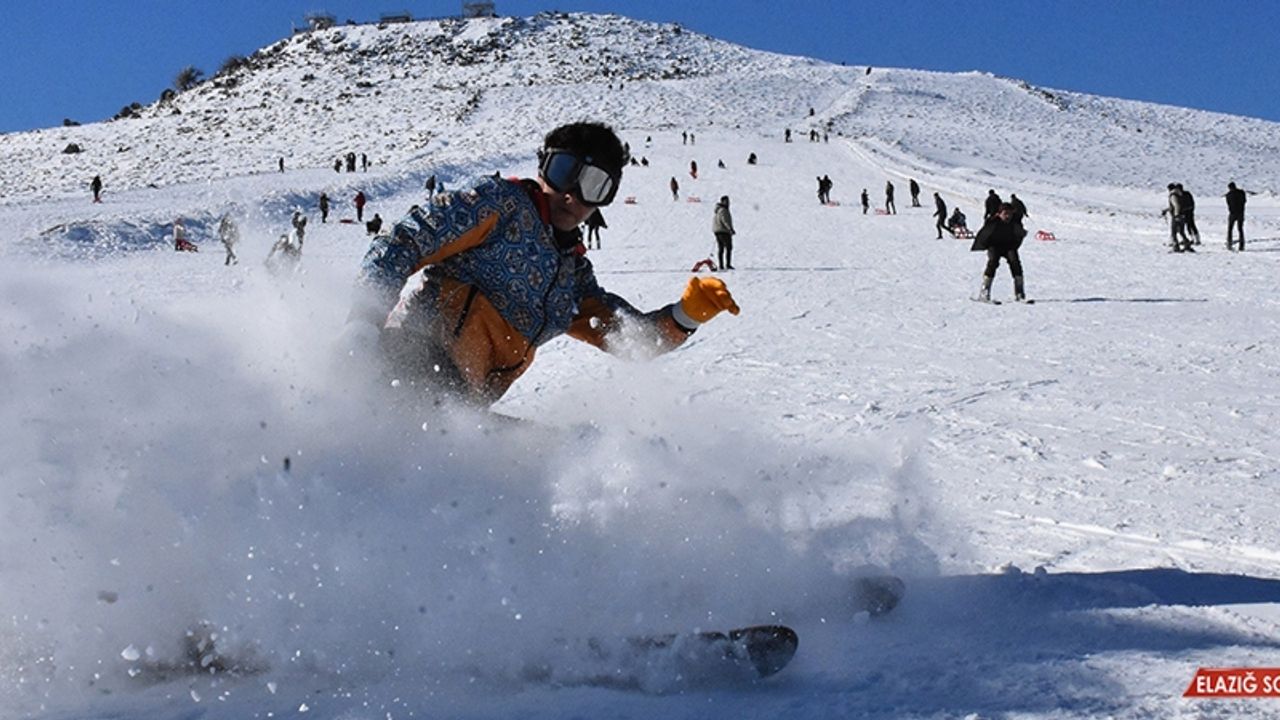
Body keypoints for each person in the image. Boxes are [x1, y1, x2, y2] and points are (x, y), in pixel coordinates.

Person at [345, 121, 740, 407]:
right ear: (543, 167)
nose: (572, 195)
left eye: (594, 186)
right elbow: (403, 241)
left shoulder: (572, 280)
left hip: (460, 404)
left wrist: (686, 315)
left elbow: (629, 339)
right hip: (407, 361)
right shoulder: (500, 204)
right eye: (563, 172)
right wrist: (362, 323)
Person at [971, 203, 1027, 302]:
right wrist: (986, 246)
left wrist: (1014, 246)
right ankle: (984, 292)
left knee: (1015, 263)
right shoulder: (992, 222)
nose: (1008, 216)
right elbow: (983, 235)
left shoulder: (1014, 223)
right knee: (993, 262)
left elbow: (1020, 235)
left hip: (1009, 246)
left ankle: (1019, 293)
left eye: (1010, 214)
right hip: (994, 246)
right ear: (999, 214)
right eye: (1005, 213)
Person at [1161, 183, 1192, 252]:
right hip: (1183, 215)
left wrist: (1176, 215)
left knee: (1174, 232)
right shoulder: (1180, 194)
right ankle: (1187, 244)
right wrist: (1167, 210)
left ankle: (1176, 246)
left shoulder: (1173, 195)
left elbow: (1176, 205)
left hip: (1177, 216)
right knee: (1181, 231)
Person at [713, 195, 735, 270]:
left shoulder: (718, 210)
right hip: (723, 231)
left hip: (718, 231)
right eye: (726, 201)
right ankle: (727, 264)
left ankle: (721, 265)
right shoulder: (723, 210)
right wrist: (730, 229)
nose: (728, 203)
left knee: (721, 248)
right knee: (728, 247)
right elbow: (725, 221)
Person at [1226, 182, 1247, 251]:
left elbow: (1229, 204)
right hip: (1241, 213)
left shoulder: (1229, 195)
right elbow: (1244, 201)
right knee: (1240, 229)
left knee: (1230, 229)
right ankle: (1242, 245)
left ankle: (1229, 243)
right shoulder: (1241, 193)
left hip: (1233, 213)